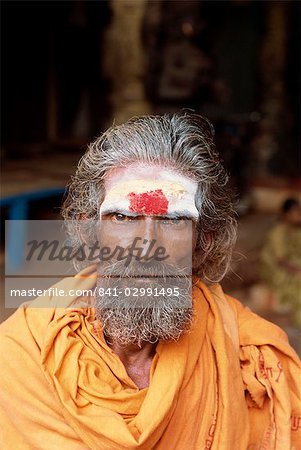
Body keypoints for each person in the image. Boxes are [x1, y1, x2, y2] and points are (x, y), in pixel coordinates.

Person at [0, 113, 300, 450]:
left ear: (203, 244)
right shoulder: (22, 351)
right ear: (89, 234)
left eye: (173, 220)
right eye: (123, 217)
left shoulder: (253, 361)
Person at [260, 197, 301, 326]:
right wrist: (298, 270)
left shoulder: (295, 230)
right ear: (287, 214)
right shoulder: (278, 232)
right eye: (297, 212)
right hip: (277, 271)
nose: (299, 214)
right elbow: (281, 261)